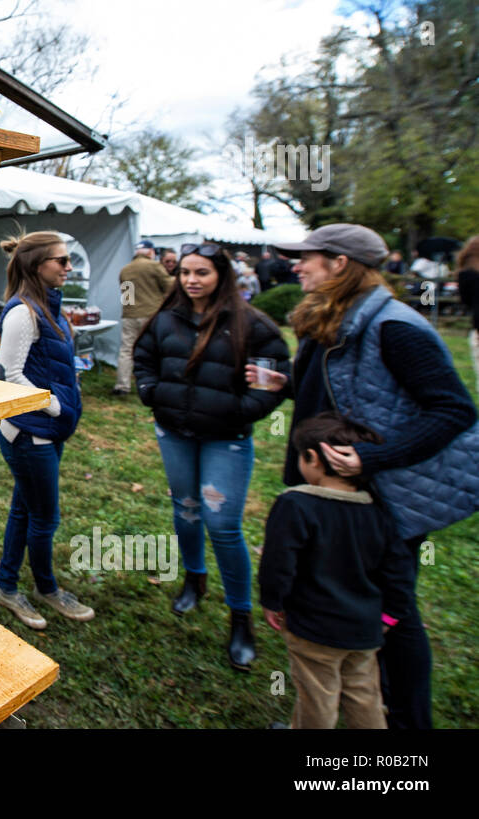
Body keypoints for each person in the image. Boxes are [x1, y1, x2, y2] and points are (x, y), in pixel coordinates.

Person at [267, 223, 479, 728]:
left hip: (384, 495)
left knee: (393, 615)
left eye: (308, 257)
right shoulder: (336, 314)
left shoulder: (394, 325)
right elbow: (348, 390)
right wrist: (292, 386)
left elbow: (453, 410)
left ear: (340, 263)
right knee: (349, 606)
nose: (297, 265)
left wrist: (373, 460)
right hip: (340, 491)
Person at [133, 242, 290, 669]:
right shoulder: (167, 318)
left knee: (222, 523)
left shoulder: (251, 323)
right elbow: (143, 359)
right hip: (176, 433)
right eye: (185, 272)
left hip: (227, 438)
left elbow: (276, 377)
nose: (191, 280)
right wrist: (152, 393)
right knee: (185, 510)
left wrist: (243, 410)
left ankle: (242, 616)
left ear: (221, 275)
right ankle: (194, 578)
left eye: (201, 272)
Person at [259, 412, 415, 729]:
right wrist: (391, 615)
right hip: (365, 629)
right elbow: (399, 570)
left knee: (318, 696)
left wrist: (272, 601)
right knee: (364, 694)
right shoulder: (379, 511)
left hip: (314, 629)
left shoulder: (296, 505)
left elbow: (278, 562)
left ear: (312, 458)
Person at [0, 231, 93, 629]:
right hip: (29, 434)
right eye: (62, 261)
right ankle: (47, 589)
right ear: (37, 266)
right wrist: (55, 405)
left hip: (47, 432)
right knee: (45, 518)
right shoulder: (23, 312)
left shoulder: (51, 308)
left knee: (25, 510)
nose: (69, 268)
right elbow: (8, 375)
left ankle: (6, 587)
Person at [113, 239, 173, 397]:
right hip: (152, 315)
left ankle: (122, 386)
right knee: (156, 349)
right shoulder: (154, 266)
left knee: (126, 350)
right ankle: (159, 384)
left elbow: (127, 296)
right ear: (151, 252)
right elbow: (170, 287)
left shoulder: (125, 269)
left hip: (130, 314)